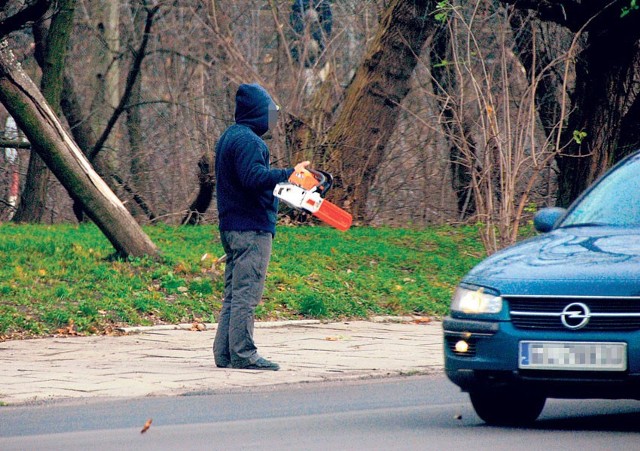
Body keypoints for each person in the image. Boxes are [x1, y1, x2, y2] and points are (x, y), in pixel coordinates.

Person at [213, 83, 310, 371]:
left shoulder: (229, 137)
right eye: (270, 113)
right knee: (247, 293)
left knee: (234, 292)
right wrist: (289, 174)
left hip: (232, 226)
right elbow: (253, 178)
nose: (273, 119)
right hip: (251, 229)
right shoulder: (250, 142)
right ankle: (243, 354)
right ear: (258, 112)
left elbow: (250, 180)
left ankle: (225, 353)